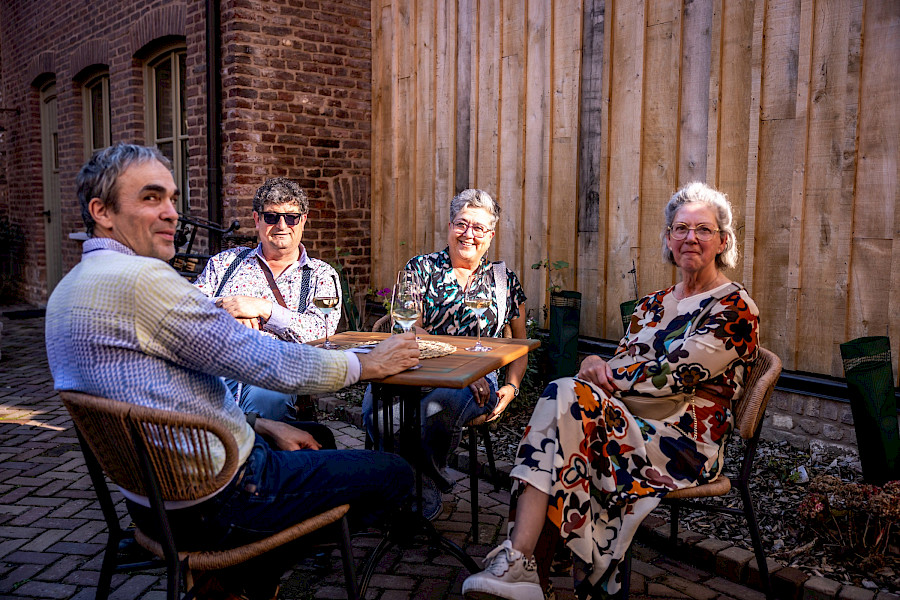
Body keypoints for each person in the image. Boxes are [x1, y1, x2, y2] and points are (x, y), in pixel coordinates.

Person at [45, 143, 419, 599]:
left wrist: (257, 423)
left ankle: (233, 582)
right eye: (149, 198)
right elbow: (268, 362)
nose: (170, 214)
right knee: (395, 474)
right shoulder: (145, 280)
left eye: (171, 198)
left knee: (310, 431)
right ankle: (244, 574)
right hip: (221, 497)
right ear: (101, 212)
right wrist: (366, 364)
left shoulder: (69, 290)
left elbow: (161, 398)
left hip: (149, 503)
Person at [462, 182, 760, 600]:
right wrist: (590, 365)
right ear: (669, 240)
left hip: (683, 441)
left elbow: (675, 373)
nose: (691, 237)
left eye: (703, 229)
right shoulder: (650, 305)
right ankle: (524, 567)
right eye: (680, 228)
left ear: (723, 241)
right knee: (565, 414)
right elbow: (615, 365)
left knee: (562, 406)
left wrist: (598, 375)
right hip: (624, 421)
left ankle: (523, 564)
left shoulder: (735, 308)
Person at [364, 188, 528, 518]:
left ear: (491, 235)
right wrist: (459, 362)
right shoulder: (421, 268)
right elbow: (409, 328)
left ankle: (422, 489)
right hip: (415, 368)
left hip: (479, 376)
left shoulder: (503, 280)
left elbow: (520, 343)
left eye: (478, 227)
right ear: (449, 226)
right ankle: (404, 484)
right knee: (376, 412)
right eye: (461, 224)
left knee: (434, 412)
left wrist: (511, 387)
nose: (468, 234)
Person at [194, 177, 341, 424]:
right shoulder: (225, 263)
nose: (282, 225)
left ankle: (259, 459)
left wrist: (264, 309)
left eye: (291, 217)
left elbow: (320, 332)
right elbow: (184, 308)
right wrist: (229, 309)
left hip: (273, 373)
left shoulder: (321, 275)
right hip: (212, 369)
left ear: (303, 220)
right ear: (257, 220)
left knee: (269, 402)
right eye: (271, 217)